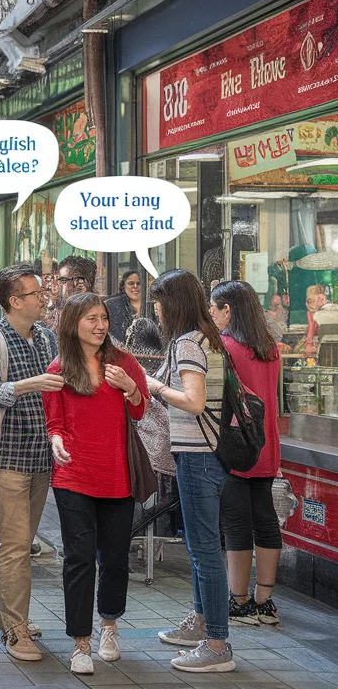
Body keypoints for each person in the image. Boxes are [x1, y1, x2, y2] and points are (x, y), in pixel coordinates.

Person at [43, 292, 149, 675]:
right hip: (73, 473)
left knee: (116, 557)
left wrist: (132, 388)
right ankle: (80, 643)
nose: (101, 325)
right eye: (91, 318)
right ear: (73, 323)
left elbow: (140, 410)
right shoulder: (59, 366)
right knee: (79, 557)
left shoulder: (124, 363)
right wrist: (56, 441)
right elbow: (54, 422)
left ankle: (109, 624)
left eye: (103, 317)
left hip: (117, 475)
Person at [0, 263, 60, 661]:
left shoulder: (47, 339)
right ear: (14, 301)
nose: (43, 298)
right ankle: (17, 630)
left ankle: (11, 617)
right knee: (17, 545)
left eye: (42, 291)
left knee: (21, 545)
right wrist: (30, 385)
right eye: (35, 292)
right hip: (6, 457)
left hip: (43, 456)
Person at [145, 269, 233, 673]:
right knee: (204, 548)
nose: (156, 310)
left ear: (174, 302)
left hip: (199, 456)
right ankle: (201, 624)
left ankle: (216, 644)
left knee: (204, 551)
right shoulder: (209, 337)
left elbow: (194, 403)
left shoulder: (188, 344)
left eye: (159, 301)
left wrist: (154, 386)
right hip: (207, 455)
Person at [210, 281, 283, 626]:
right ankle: (264, 601)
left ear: (229, 310)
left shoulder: (226, 348)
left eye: (215, 307)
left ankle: (239, 602)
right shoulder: (270, 348)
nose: (211, 314)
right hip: (266, 447)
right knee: (266, 520)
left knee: (236, 524)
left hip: (238, 448)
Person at [45, 255, 98, 330]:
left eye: (64, 280)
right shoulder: (54, 313)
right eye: (61, 280)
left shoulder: (99, 312)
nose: (60, 286)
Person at [106, 271, 143, 343]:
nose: (135, 286)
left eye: (139, 283)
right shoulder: (112, 305)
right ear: (124, 286)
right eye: (131, 283)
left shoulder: (154, 306)